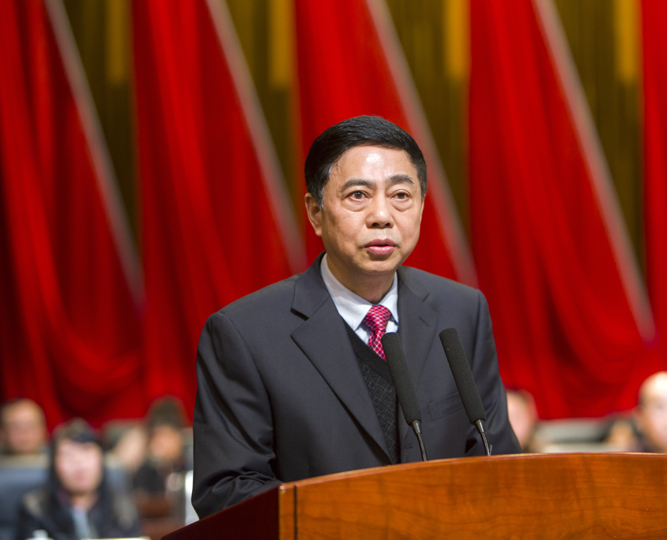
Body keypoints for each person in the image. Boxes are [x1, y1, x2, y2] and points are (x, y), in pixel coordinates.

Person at [192, 115, 520, 517]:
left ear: (421, 206)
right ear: (315, 212)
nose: (382, 215)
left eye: (401, 195)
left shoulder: (461, 312)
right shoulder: (245, 333)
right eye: (358, 195)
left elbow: (496, 458)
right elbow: (227, 492)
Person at [15, 419, 140, 540]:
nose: (79, 464)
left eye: (86, 452)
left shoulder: (122, 508)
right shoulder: (35, 510)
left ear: (101, 460)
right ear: (54, 464)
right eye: (68, 455)